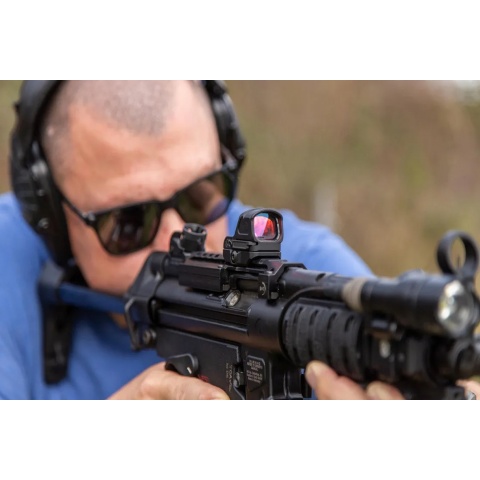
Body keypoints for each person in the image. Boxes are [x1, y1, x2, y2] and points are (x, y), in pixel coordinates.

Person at [0, 80, 451, 400]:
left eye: (200, 196)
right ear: (49, 215)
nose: (178, 234)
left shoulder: (304, 268)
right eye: (128, 221)